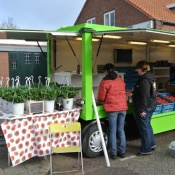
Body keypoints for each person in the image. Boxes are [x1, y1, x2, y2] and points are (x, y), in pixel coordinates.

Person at [98, 63, 128, 159]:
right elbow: (123, 90)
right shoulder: (120, 79)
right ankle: (122, 151)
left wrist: (101, 101)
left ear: (106, 71)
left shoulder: (105, 81)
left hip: (112, 109)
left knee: (112, 130)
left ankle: (114, 153)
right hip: (123, 108)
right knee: (121, 130)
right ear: (113, 69)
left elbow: (101, 98)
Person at [132, 60, 157, 156]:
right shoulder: (151, 78)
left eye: (137, 68)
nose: (136, 70)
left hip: (146, 107)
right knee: (147, 126)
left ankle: (146, 149)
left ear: (142, 69)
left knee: (144, 128)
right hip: (152, 105)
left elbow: (144, 96)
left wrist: (142, 109)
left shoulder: (144, 80)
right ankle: (151, 144)